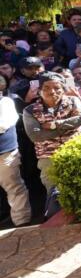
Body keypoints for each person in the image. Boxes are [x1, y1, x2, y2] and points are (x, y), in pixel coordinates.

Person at [22, 72, 81, 194]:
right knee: (55, 194)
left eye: (57, 88)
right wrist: (69, 127)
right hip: (49, 158)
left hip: (76, 151)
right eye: (46, 88)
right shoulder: (30, 111)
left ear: (63, 89)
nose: (52, 92)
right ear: (39, 90)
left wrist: (55, 125)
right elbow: (35, 135)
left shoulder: (73, 101)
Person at [0, 84, 31, 228]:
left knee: (14, 187)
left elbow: (3, 124)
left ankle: (22, 223)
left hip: (5, 153)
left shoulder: (5, 102)